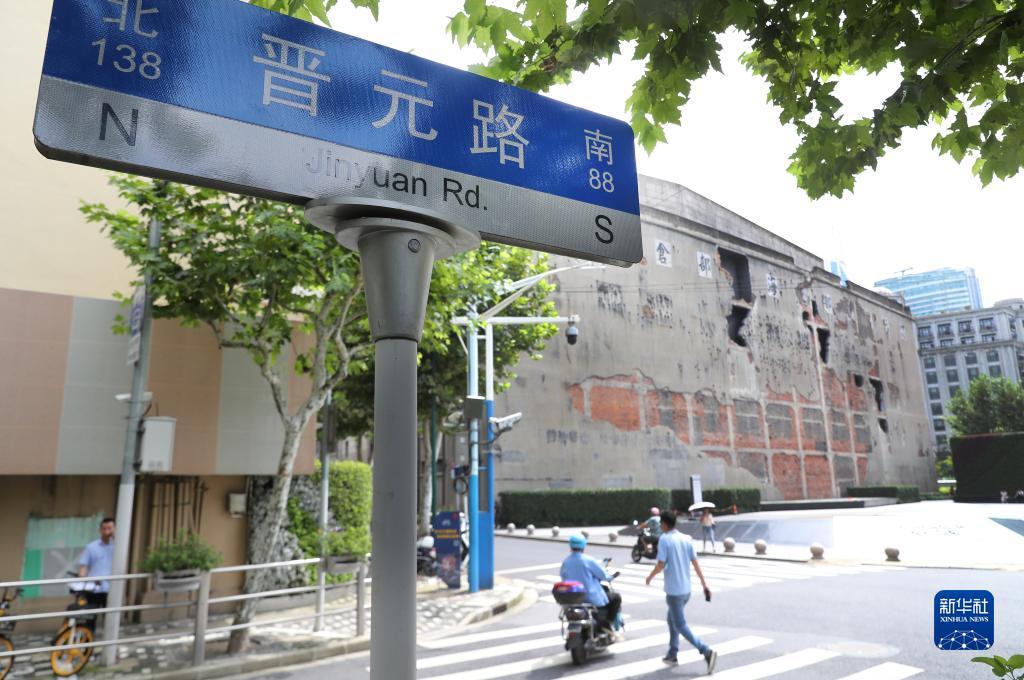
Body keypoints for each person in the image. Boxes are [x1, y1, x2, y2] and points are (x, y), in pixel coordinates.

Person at [645, 510, 717, 673]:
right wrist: (704, 585)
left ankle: (706, 651)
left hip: (674, 591)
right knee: (671, 620)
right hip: (686, 591)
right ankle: (672, 653)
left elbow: (660, 564)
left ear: (664, 524)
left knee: (680, 624)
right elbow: (696, 564)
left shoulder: (664, 539)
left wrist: (649, 577)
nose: (660, 526)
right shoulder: (686, 539)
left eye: (661, 523)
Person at [560, 534, 623, 638]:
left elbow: (563, 577)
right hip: (589, 597)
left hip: (572, 598)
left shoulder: (566, 562)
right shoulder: (588, 560)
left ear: (570, 546)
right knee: (616, 597)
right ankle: (607, 624)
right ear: (583, 546)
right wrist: (611, 576)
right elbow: (603, 576)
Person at [77, 517, 115, 609]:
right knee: (92, 614)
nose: (107, 532)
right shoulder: (91, 547)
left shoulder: (118, 546)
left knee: (110, 614)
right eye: (104, 528)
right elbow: (84, 566)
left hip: (112, 589)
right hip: (94, 588)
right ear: (100, 530)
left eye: (109, 528)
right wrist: (81, 583)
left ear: (114, 529)